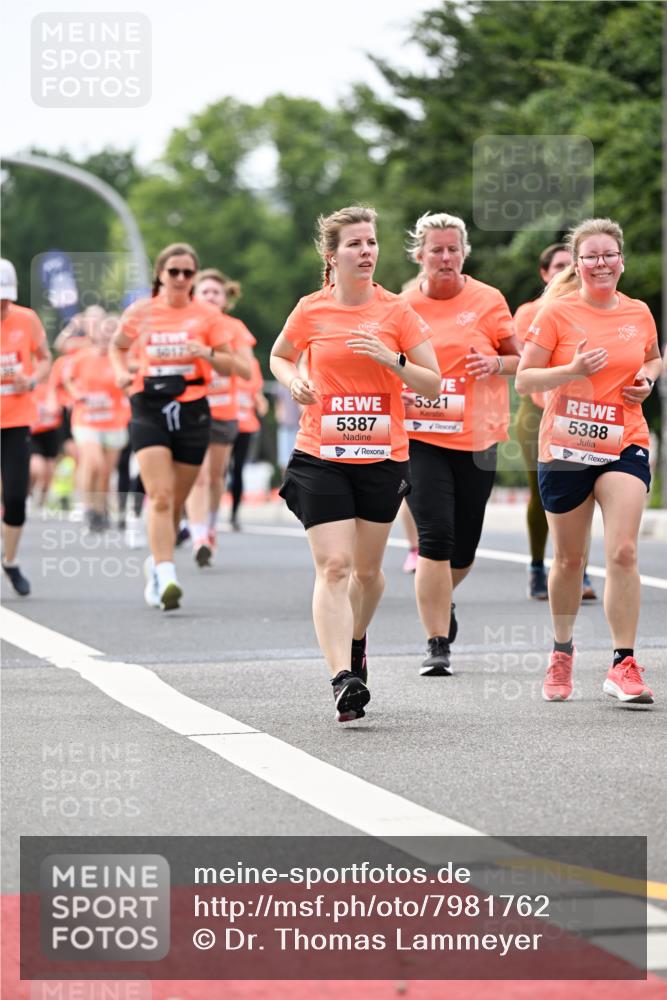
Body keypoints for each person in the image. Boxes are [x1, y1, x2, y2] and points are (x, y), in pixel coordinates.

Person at [270, 205, 440, 722]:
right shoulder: (312, 309)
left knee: (367, 574)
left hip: (382, 456)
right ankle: (342, 677)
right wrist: (293, 378)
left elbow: (433, 382)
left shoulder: (397, 312)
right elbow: (279, 354)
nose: (366, 252)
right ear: (333, 255)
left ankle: (357, 640)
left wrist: (393, 360)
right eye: (355, 244)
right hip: (321, 453)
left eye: (371, 243)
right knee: (335, 566)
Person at [516, 217, 661, 705]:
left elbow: (654, 357)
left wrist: (647, 376)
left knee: (622, 551)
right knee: (570, 560)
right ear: (577, 265)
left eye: (608, 254)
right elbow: (524, 379)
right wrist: (571, 370)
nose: (601, 263)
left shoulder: (638, 312)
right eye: (590, 256)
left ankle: (623, 662)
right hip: (566, 447)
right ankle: (562, 651)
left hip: (624, 439)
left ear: (621, 260)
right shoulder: (556, 313)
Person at [401, 212, 521, 676]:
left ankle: (442, 600)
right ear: (420, 255)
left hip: (477, 437)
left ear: (464, 253)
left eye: (453, 249)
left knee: (464, 547)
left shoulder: (488, 300)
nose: (445, 257)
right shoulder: (403, 305)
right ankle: (436, 643)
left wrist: (494, 363)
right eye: (436, 250)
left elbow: (521, 361)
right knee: (435, 537)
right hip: (421, 437)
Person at [110, 243, 233, 610]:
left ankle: (156, 563)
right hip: (148, 405)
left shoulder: (207, 315)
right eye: (173, 272)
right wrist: (120, 373)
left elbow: (228, 365)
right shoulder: (141, 311)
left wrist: (205, 353)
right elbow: (117, 347)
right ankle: (166, 576)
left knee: (175, 501)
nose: (181, 279)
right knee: (160, 496)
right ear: (160, 275)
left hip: (193, 408)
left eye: (188, 273)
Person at [515, 243, 597, 601]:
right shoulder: (531, 312)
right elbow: (528, 367)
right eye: (560, 265)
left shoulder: (594, 309)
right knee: (542, 491)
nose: (568, 270)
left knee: (586, 490)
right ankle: (536, 566)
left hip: (583, 413)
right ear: (545, 273)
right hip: (539, 411)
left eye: (572, 264)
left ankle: (580, 571)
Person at [185, 268, 253, 565]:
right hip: (193, 408)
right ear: (194, 296)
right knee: (197, 477)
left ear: (225, 299)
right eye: (205, 291)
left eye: (216, 292)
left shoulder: (234, 327)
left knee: (215, 477)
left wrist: (211, 355)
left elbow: (248, 370)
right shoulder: (184, 325)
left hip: (224, 409)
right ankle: (198, 535)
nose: (211, 296)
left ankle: (210, 525)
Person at [0, 258, 51, 595]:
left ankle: (11, 559)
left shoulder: (26, 319)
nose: (1, 306)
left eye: (5, 298)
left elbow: (46, 357)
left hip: (16, 418)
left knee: (17, 496)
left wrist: (31, 379)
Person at [65, 313, 130, 532]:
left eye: (113, 331)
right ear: (95, 332)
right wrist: (77, 394)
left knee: (105, 472)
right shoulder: (82, 357)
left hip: (114, 421)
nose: (107, 335)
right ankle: (87, 507)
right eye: (104, 330)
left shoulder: (122, 358)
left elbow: (130, 383)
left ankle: (100, 510)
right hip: (86, 419)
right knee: (93, 462)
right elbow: (68, 379)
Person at [229, 355, 269, 531]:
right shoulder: (224, 360)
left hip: (245, 426)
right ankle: (206, 517)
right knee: (217, 471)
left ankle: (234, 514)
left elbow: (257, 392)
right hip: (223, 423)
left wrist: (261, 403)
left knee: (238, 469)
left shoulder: (252, 363)